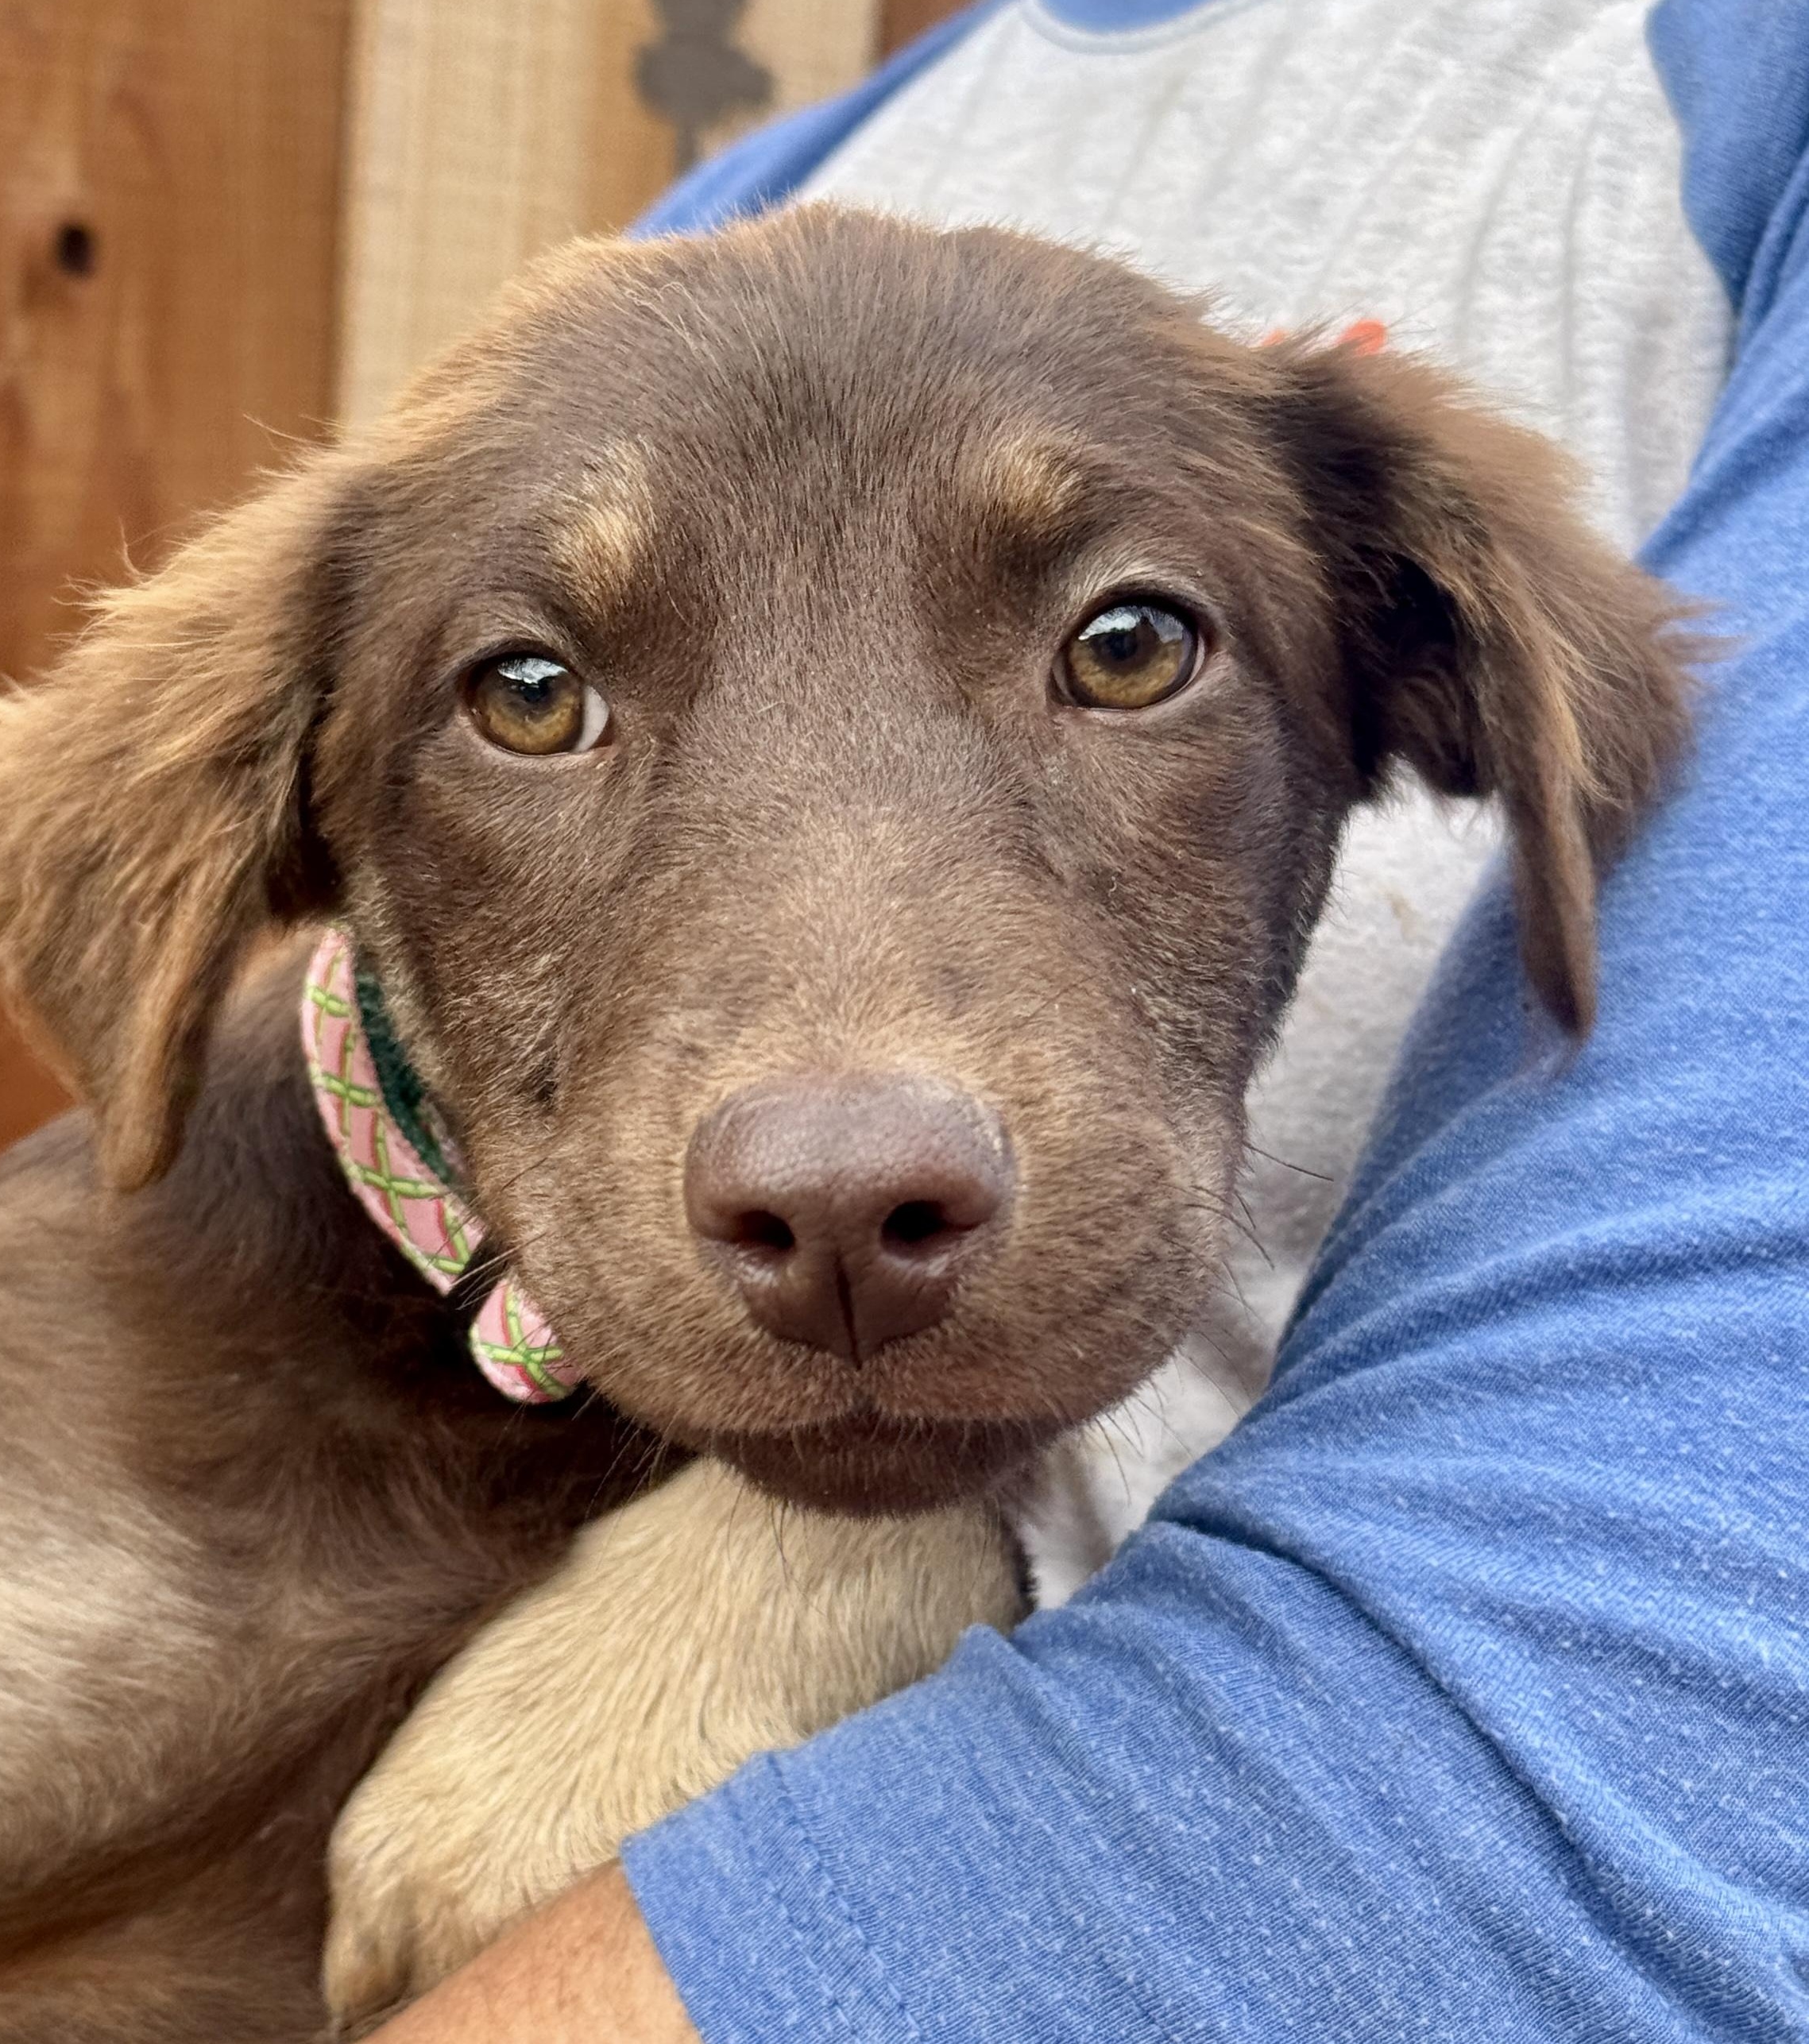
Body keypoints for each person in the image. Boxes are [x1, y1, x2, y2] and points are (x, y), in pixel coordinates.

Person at [380, 2, 1809, 2034]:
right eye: (539, 700)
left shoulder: (1713, 79)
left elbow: (1651, 1694)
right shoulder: (750, 203)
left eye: (1128, 649)